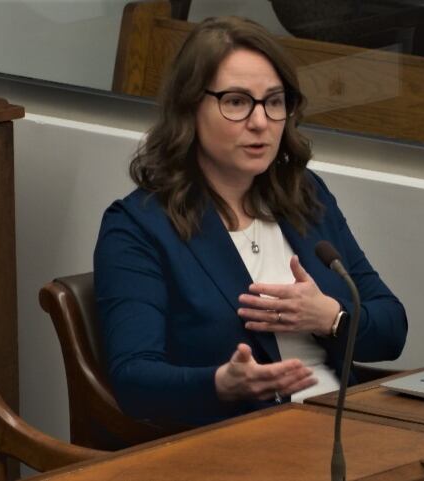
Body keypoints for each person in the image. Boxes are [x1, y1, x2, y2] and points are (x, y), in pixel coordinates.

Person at [94, 16, 407, 428]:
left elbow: (392, 327)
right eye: (237, 101)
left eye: (274, 101)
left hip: (342, 424)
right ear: (190, 108)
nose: (260, 121)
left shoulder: (305, 194)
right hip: (243, 442)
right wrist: (223, 383)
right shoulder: (137, 227)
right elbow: (134, 378)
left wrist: (330, 318)